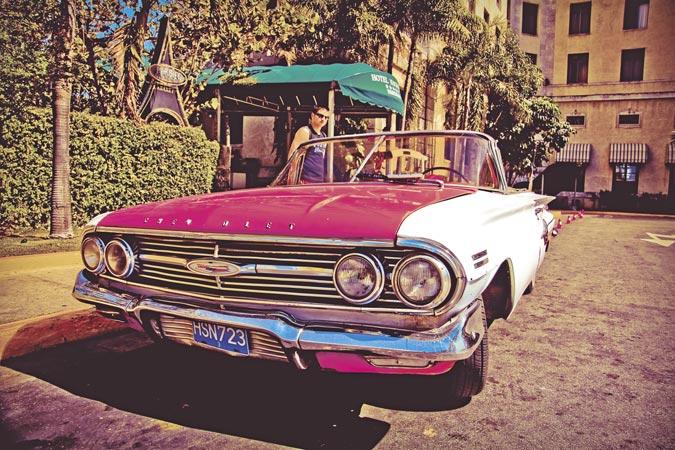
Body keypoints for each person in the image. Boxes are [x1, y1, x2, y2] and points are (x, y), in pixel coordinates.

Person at [288, 105, 330, 183]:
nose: (323, 119)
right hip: (304, 180)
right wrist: (292, 180)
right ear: (312, 115)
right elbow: (292, 157)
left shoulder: (324, 136)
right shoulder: (305, 131)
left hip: (319, 180)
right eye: (320, 116)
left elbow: (321, 158)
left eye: (326, 117)